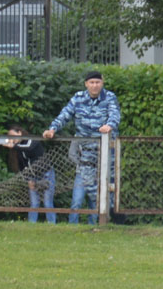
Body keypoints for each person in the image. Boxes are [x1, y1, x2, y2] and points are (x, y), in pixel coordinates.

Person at [44, 70, 120, 225]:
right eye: (91, 82)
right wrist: (52, 129)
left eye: (97, 82)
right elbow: (65, 115)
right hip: (85, 151)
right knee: (89, 189)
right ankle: (81, 225)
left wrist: (109, 125)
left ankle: (106, 221)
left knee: (107, 187)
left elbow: (115, 114)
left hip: (105, 150)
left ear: (102, 83)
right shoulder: (78, 98)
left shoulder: (110, 97)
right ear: (86, 84)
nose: (94, 85)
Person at [0, 121, 53, 224]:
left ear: (19, 133)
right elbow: (23, 167)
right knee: (34, 202)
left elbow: (29, 147)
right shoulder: (18, 150)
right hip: (33, 176)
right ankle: (31, 224)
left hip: (46, 173)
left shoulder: (31, 140)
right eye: (9, 137)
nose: (12, 139)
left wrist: (13, 146)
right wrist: (28, 179)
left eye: (13, 136)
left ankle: (52, 224)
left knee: (47, 202)